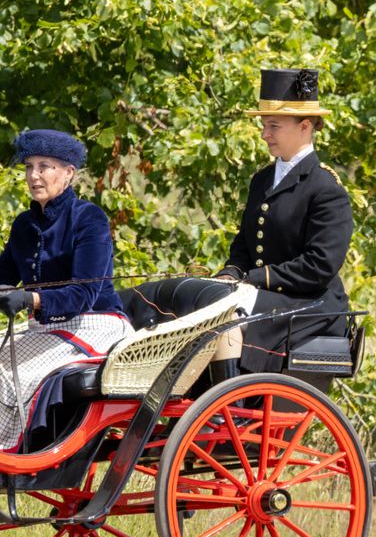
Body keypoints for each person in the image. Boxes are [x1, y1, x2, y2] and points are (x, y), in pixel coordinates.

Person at [139, 68, 353, 382]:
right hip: (264, 296)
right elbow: (244, 243)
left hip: (310, 305)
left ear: (305, 126)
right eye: (265, 125)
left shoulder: (326, 189)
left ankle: (226, 409)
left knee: (226, 309)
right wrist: (231, 272)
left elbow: (319, 266)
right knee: (202, 298)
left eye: (274, 126)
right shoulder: (263, 179)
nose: (265, 134)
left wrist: (253, 280)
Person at [0, 129, 132, 452]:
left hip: (96, 327)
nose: (33, 175)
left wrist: (32, 299)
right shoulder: (24, 224)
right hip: (46, 329)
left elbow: (83, 295)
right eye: (28, 167)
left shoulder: (88, 218)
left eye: (44, 166)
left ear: (68, 173)